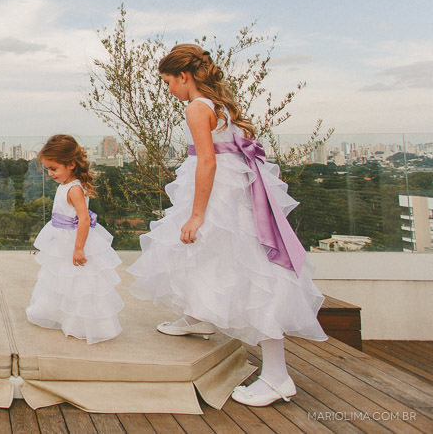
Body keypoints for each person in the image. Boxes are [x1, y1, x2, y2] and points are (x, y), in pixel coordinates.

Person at [128, 44, 326, 407]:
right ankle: (197, 316)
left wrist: (199, 213)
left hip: (218, 196)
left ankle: (277, 377)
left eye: (168, 81)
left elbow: (208, 162)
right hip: (235, 191)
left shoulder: (196, 107)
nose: (169, 89)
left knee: (244, 270)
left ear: (183, 77)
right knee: (205, 257)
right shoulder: (219, 106)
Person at [26, 134, 123, 343]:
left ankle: (81, 321)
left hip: (73, 241)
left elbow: (84, 219)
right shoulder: (66, 185)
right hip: (62, 240)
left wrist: (79, 248)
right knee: (61, 279)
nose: (50, 173)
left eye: (53, 168)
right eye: (48, 169)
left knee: (79, 281)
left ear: (70, 164)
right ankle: (61, 314)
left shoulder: (74, 189)